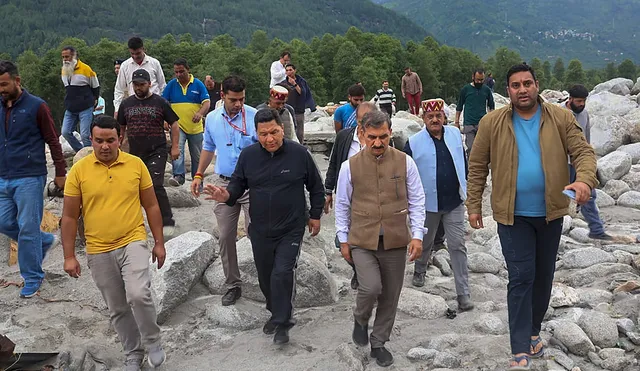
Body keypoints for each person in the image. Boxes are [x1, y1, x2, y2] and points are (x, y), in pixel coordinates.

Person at [466, 63, 597, 370]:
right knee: (522, 276)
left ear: (537, 85)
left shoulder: (561, 117)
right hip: (512, 216)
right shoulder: (491, 122)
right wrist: (473, 205)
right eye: (515, 85)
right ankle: (520, 345)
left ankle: (534, 329)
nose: (522, 89)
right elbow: (477, 166)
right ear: (508, 90)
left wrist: (585, 179)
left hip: (551, 212)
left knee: (543, 277)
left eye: (527, 83)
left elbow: (583, 152)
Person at [203, 108, 325, 345]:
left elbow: (316, 187)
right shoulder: (249, 156)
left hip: (291, 227)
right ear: (256, 134)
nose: (269, 139)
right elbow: (237, 185)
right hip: (259, 229)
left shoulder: (299, 154)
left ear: (282, 129)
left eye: (274, 132)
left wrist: (315, 215)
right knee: (265, 278)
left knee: (282, 273)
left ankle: (282, 322)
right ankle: (275, 310)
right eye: (263, 134)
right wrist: (226, 195)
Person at [61, 115, 167, 371]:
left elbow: (151, 205)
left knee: (139, 294)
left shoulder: (135, 165)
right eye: (99, 141)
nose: (105, 146)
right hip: (98, 249)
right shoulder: (79, 170)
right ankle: (133, 352)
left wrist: (159, 242)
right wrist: (68, 256)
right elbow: (69, 216)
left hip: (133, 240)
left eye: (110, 140)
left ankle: (153, 341)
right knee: (117, 307)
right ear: (91, 140)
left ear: (120, 139)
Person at [335, 110, 425, 367]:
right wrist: (343, 239)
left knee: (390, 295)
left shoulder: (405, 162)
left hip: (396, 239)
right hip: (362, 239)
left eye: (383, 137)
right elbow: (342, 205)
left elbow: (417, 200)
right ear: (362, 134)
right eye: (372, 137)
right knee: (371, 287)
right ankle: (360, 318)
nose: (378, 143)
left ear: (390, 132)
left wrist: (417, 236)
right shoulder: (349, 166)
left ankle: (379, 342)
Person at [0, 60, 66, 298]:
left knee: (28, 228)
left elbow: (53, 140)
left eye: (5, 84)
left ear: (17, 81)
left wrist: (61, 173)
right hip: (3, 176)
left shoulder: (37, 106)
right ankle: (44, 240)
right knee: (4, 222)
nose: (1, 89)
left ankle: (32, 277)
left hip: (30, 175)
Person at [191, 76, 257, 306]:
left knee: (255, 232)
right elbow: (208, 147)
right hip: (224, 183)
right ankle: (233, 284)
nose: (238, 104)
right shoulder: (211, 119)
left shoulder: (254, 116)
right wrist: (198, 174)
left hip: (252, 183)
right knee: (226, 235)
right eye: (233, 100)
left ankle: (266, 279)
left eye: (241, 99)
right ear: (222, 95)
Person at [404, 99, 473, 311]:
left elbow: (463, 160)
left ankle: (463, 293)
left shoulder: (454, 134)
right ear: (423, 118)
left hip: (454, 201)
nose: (435, 120)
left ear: (444, 116)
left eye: (438, 116)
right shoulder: (413, 142)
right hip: (426, 202)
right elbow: (406, 172)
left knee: (457, 245)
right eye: (430, 116)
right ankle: (420, 268)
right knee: (425, 241)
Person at [117, 69, 179, 237]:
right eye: (135, 85)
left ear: (149, 84)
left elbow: (174, 124)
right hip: (134, 152)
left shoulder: (160, 102)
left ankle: (167, 220)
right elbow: (121, 127)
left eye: (142, 84)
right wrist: (120, 144)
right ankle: (132, 222)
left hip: (157, 150)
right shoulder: (126, 104)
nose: (138, 88)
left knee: (155, 184)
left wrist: (175, 146)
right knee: (131, 187)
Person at [324, 102, 378, 290]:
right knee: (342, 241)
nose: (365, 125)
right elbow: (334, 164)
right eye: (363, 121)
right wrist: (328, 190)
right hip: (348, 198)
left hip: (373, 200)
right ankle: (359, 269)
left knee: (370, 240)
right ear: (356, 119)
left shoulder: (379, 139)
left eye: (370, 121)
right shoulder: (344, 137)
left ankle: (367, 273)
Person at [563, 84, 612, 240]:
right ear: (570, 99)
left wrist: (590, 160)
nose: (582, 104)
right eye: (578, 101)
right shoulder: (558, 113)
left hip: (580, 164)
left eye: (584, 101)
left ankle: (596, 229)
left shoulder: (584, 114)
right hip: (562, 164)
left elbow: (586, 139)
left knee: (589, 194)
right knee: (557, 197)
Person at [162, 58, 210, 186]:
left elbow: (206, 102)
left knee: (197, 156)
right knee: (177, 149)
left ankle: (197, 180)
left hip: (195, 127)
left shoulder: (198, 84)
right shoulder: (171, 85)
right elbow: (164, 103)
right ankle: (178, 176)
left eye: (181, 71)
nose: (178, 75)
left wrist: (200, 113)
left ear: (188, 70)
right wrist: (165, 119)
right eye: (176, 72)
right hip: (178, 125)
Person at [61, 46, 101, 153]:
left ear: (74, 56)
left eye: (67, 57)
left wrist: (95, 99)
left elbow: (95, 86)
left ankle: (89, 155)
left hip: (85, 106)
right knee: (65, 132)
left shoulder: (86, 69)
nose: (65, 59)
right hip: (70, 107)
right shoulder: (64, 70)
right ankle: (81, 152)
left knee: (85, 135)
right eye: (63, 57)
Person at [114, 37, 166, 117]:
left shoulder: (155, 63)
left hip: (154, 106)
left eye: (138, 53)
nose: (135, 56)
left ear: (143, 49)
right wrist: (117, 109)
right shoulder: (125, 66)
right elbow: (119, 89)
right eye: (132, 54)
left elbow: (162, 86)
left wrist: (163, 107)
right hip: (133, 107)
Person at [455, 68, 495, 157]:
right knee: (470, 147)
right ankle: (471, 168)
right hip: (468, 123)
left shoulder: (486, 90)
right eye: (478, 80)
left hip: (482, 123)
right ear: (473, 77)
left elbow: (491, 106)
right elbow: (459, 106)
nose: (480, 82)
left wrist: (492, 120)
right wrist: (456, 122)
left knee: (482, 148)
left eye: (482, 80)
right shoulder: (466, 89)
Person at [278, 63, 316, 143]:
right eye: (287, 70)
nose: (289, 72)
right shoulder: (284, 83)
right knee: (288, 130)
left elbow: (302, 93)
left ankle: (300, 147)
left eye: (290, 70)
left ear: (295, 70)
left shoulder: (301, 81)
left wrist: (294, 84)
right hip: (287, 110)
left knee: (299, 131)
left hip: (299, 110)